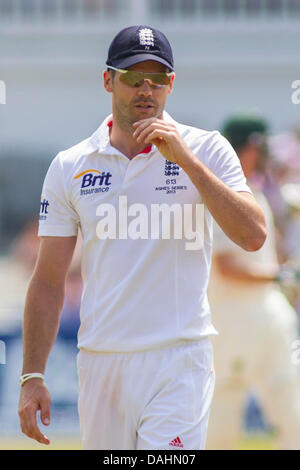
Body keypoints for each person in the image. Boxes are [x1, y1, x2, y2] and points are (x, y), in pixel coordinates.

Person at [18, 26, 266, 450]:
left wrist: (185, 162)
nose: (145, 89)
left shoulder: (206, 149)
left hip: (180, 359)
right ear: (108, 80)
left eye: (158, 79)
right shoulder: (70, 165)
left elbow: (253, 235)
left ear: (171, 84)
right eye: (133, 77)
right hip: (101, 362)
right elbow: (47, 280)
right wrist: (32, 375)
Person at [206, 114, 300, 450]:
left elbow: (267, 258)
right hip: (232, 321)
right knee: (221, 418)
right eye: (262, 147)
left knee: (292, 412)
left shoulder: (255, 193)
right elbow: (227, 266)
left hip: (266, 317)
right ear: (251, 146)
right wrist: (282, 276)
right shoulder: (221, 195)